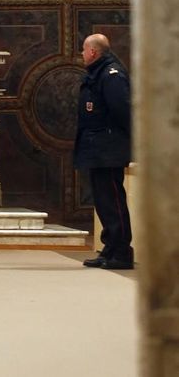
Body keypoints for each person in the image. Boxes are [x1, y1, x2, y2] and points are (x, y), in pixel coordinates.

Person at [74, 34, 133, 269]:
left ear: (93, 52)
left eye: (83, 50)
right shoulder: (97, 74)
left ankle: (121, 252)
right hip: (98, 148)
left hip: (109, 148)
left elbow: (123, 111)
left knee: (113, 201)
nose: (81, 54)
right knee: (103, 201)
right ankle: (110, 248)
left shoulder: (111, 75)